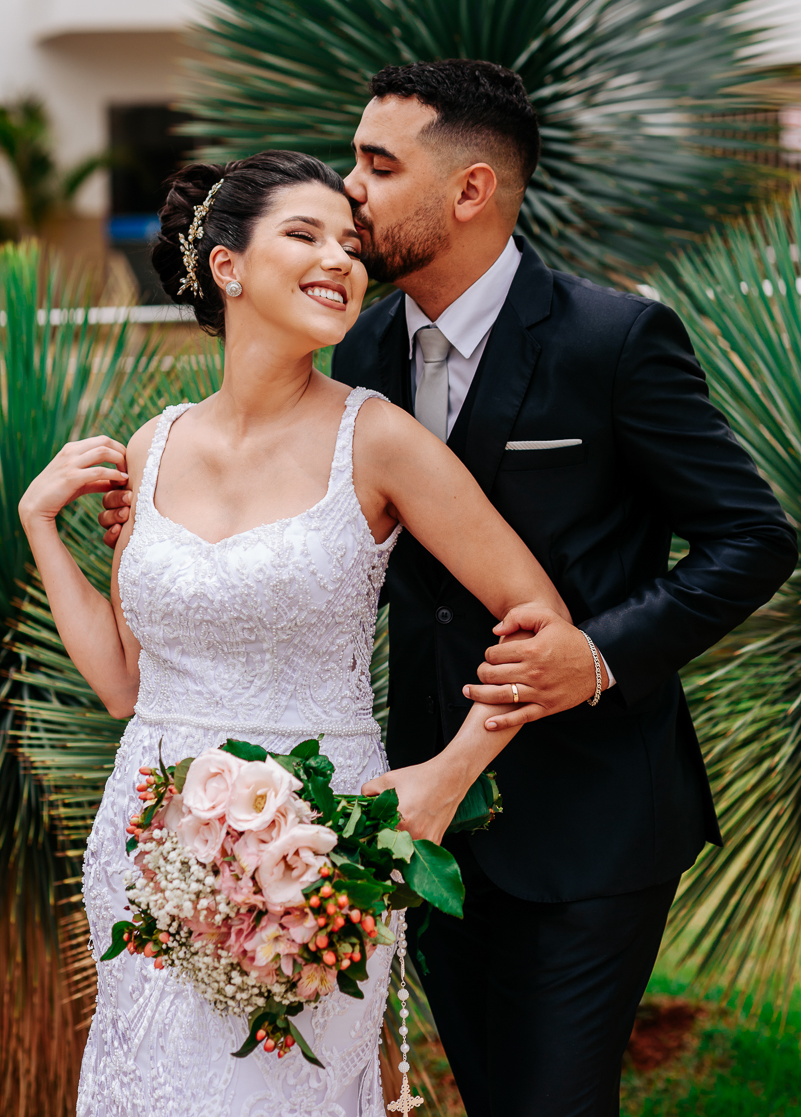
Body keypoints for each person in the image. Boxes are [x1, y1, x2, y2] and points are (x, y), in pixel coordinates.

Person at [97, 63, 797, 1116]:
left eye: (378, 165)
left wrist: (598, 654)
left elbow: (755, 538)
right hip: (397, 814)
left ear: (470, 191)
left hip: (588, 811)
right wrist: (178, 550)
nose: (352, 192)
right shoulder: (356, 345)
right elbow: (339, 553)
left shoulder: (611, 342)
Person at [20, 149, 568, 1117]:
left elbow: (540, 621)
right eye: (305, 236)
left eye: (350, 244)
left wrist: (443, 783)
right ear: (227, 267)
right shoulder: (153, 446)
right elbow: (121, 683)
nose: (342, 261)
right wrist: (39, 528)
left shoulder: (381, 439)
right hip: (148, 858)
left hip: (316, 867)